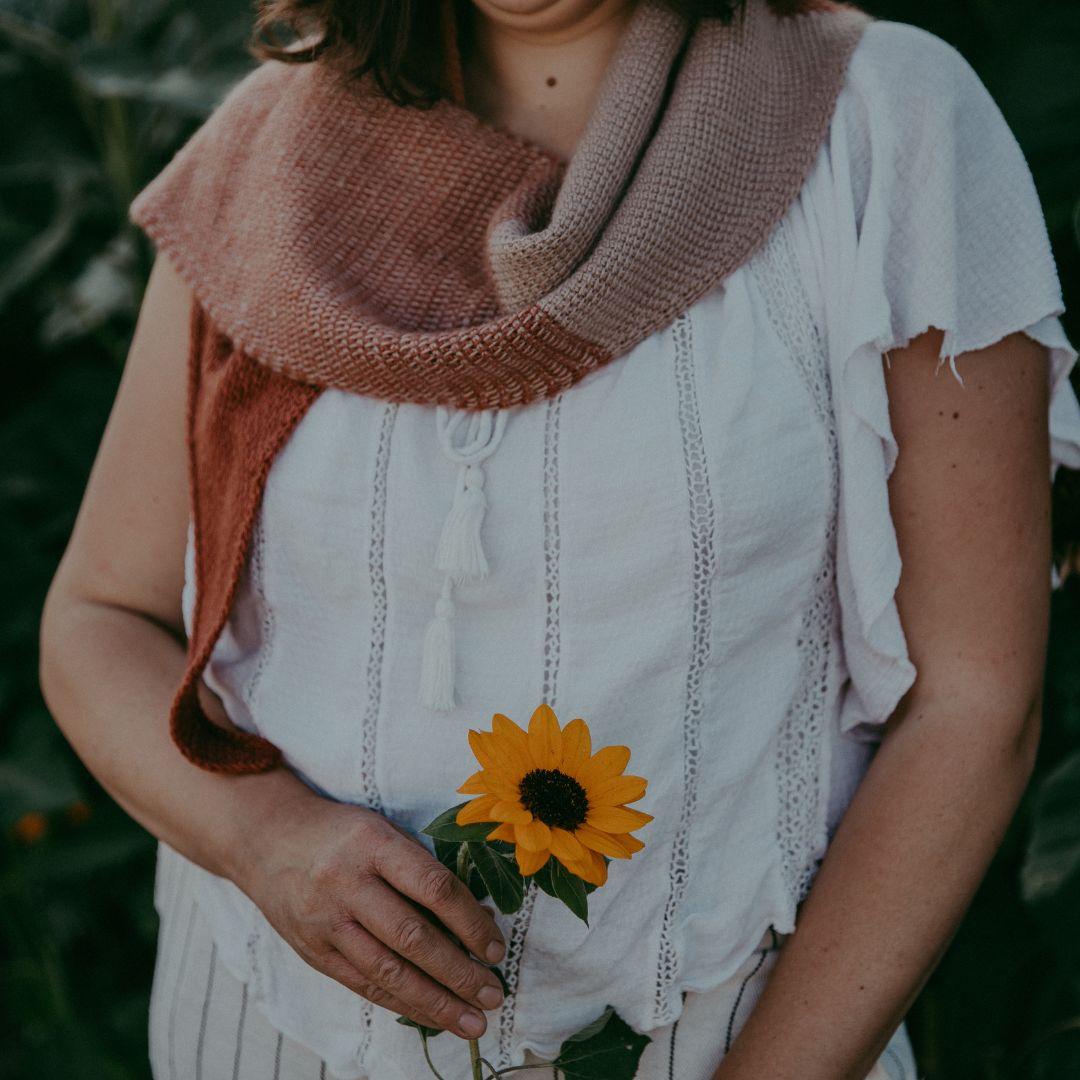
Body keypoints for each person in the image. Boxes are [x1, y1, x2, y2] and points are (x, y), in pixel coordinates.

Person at [37, 0, 1080, 1077]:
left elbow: (972, 699)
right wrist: (261, 839)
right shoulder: (269, 157)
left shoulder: (883, 120)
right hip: (263, 1034)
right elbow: (98, 616)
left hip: (738, 1041)